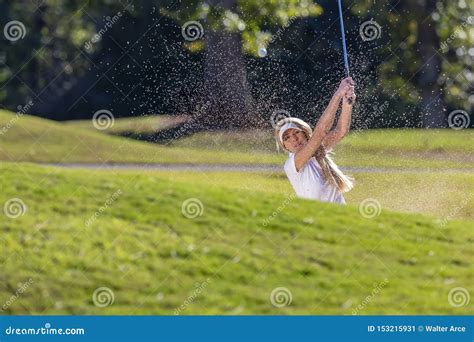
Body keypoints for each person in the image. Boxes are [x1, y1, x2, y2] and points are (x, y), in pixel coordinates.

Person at [274, 77, 355, 204]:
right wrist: (338, 94)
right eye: (287, 138)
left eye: (296, 132)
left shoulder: (319, 150)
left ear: (305, 134)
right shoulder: (292, 164)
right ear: (285, 147)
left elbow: (341, 131)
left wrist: (347, 102)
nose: (294, 139)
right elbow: (320, 132)